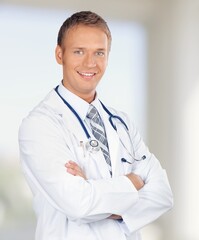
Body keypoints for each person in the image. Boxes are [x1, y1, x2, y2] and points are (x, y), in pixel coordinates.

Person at [18, 11, 173, 240]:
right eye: (79, 51)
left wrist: (93, 187)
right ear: (59, 54)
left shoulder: (122, 123)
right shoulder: (40, 125)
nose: (90, 63)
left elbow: (163, 195)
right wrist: (133, 183)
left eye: (99, 53)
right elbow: (78, 204)